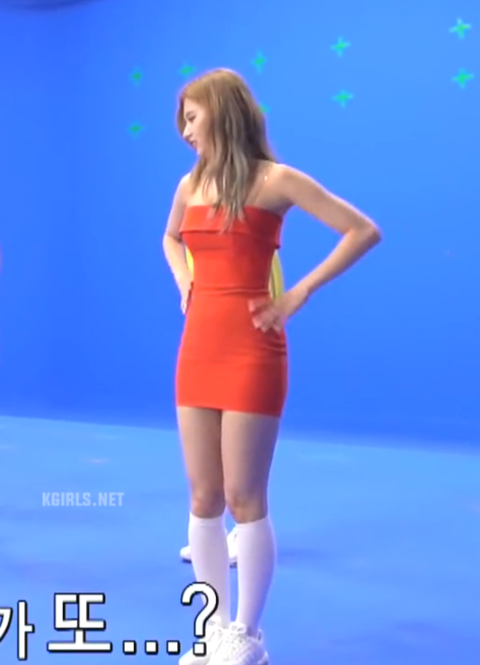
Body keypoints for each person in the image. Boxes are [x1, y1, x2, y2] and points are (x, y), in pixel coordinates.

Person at [163, 68, 382, 665]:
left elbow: (362, 231)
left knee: (243, 496)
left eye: (192, 117)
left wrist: (299, 292)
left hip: (253, 351)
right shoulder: (190, 184)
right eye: (182, 121)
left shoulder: (276, 181)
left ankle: (247, 635)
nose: (185, 131)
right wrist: (184, 280)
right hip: (197, 347)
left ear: (224, 111)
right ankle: (212, 630)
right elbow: (171, 239)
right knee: (204, 496)